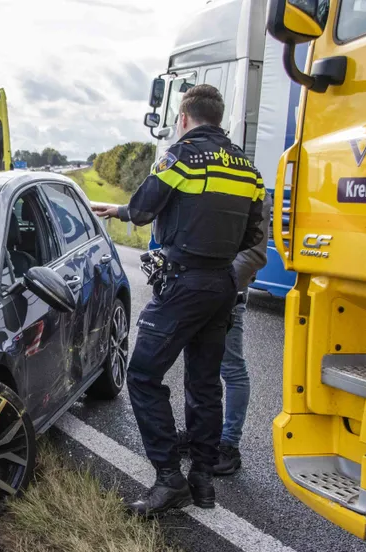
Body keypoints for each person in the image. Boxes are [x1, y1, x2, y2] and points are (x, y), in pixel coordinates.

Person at [92, 84, 265, 516]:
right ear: (218, 116)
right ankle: (202, 482)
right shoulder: (248, 167)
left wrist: (123, 212)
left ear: (184, 118)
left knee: (144, 375)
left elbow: (146, 207)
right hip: (223, 285)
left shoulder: (180, 156)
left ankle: (169, 479)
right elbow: (251, 235)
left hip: (183, 283)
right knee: (205, 384)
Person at [162, 191, 272, 474]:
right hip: (193, 292)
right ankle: (199, 435)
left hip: (226, 295)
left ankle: (228, 444)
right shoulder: (209, 177)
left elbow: (254, 255)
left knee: (232, 368)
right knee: (196, 366)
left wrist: (216, 284)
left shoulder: (253, 188)